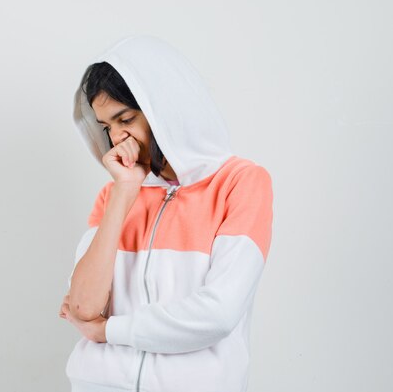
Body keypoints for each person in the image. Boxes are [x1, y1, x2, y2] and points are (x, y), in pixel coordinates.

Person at [59, 34, 274, 392]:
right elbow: (82, 306)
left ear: (163, 108)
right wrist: (125, 191)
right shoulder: (114, 195)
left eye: (125, 118)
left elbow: (217, 314)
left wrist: (109, 330)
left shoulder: (241, 183)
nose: (117, 139)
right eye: (106, 127)